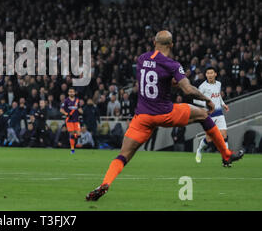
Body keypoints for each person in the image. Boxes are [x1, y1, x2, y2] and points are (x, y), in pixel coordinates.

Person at [86, 30, 244, 201]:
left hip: (142, 117)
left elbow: (154, 80)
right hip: (165, 113)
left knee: (123, 155)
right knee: (203, 115)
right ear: (172, 45)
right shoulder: (172, 65)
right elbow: (188, 90)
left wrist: (170, 82)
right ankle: (226, 154)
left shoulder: (141, 59)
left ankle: (106, 183)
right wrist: (207, 100)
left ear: (154, 42)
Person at [194, 67, 231, 165]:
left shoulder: (218, 84)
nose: (210, 75)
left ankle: (226, 159)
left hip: (219, 114)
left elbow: (218, 95)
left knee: (224, 136)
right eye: (208, 73)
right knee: (209, 139)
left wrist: (223, 104)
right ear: (206, 75)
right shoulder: (202, 87)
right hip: (209, 115)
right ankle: (199, 150)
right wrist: (206, 104)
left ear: (215, 74)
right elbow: (195, 100)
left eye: (211, 73)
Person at [60, 87, 83, 154]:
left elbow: (79, 108)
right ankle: (72, 149)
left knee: (78, 134)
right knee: (72, 133)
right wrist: (66, 114)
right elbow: (61, 109)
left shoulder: (77, 100)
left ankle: (73, 140)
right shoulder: (66, 100)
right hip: (69, 120)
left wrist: (81, 111)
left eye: (72, 91)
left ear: (74, 92)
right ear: (68, 93)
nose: (71, 93)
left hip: (76, 119)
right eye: (70, 92)